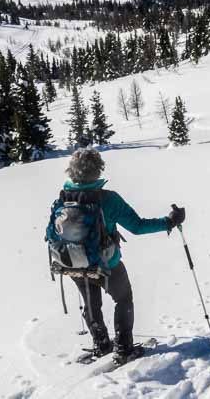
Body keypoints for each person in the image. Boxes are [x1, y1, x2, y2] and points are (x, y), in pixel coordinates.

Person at [51, 148, 185, 360]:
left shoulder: (63, 198)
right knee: (123, 299)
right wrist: (170, 221)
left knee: (91, 303)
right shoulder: (108, 199)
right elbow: (138, 226)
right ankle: (124, 348)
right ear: (97, 171)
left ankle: (102, 343)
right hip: (107, 263)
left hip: (73, 263)